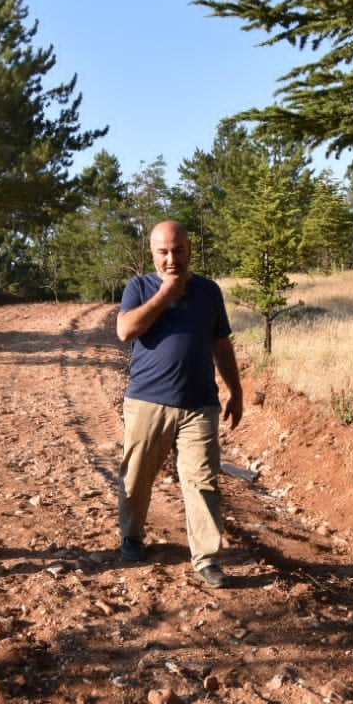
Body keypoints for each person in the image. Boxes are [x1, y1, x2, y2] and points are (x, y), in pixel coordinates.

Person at [116, 220, 244, 589]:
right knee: (137, 475)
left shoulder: (209, 291)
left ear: (189, 250)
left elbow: (221, 343)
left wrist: (235, 391)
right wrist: (165, 295)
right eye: (163, 252)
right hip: (147, 401)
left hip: (199, 404)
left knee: (203, 481)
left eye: (178, 250)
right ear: (152, 253)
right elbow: (125, 330)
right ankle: (132, 536)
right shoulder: (139, 287)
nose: (171, 258)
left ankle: (207, 558)